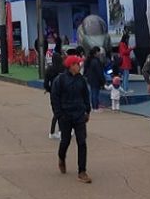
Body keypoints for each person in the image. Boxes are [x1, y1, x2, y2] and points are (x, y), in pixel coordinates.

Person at [50, 54, 91, 183]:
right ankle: (61, 158)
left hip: (79, 115)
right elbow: (54, 97)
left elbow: (86, 96)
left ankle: (82, 171)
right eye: (77, 64)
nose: (79, 66)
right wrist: (59, 114)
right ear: (71, 66)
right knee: (65, 141)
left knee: (82, 142)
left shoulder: (82, 80)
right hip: (65, 115)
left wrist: (87, 110)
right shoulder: (60, 80)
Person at [43, 53, 63, 139]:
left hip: (53, 93)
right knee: (63, 112)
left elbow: (46, 83)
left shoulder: (49, 69)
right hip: (63, 92)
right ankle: (61, 131)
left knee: (56, 113)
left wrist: (49, 89)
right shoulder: (63, 68)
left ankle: (52, 132)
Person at [84, 46, 105, 111]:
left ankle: (94, 107)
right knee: (95, 93)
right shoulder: (96, 61)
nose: (99, 53)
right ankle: (95, 107)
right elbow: (99, 72)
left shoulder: (90, 60)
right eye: (98, 52)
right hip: (96, 79)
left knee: (93, 93)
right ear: (96, 53)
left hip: (91, 79)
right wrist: (103, 80)